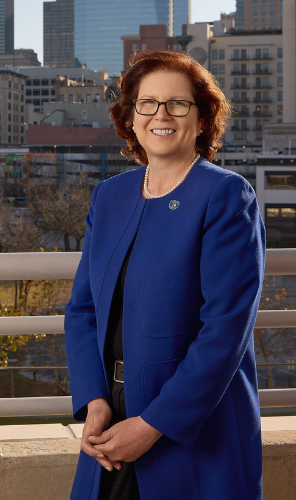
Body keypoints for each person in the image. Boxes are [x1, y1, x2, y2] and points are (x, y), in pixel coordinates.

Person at [65, 50, 265, 500]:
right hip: (111, 415)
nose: (162, 115)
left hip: (193, 421)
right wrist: (94, 400)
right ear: (131, 117)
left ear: (202, 117)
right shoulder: (110, 196)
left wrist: (155, 424)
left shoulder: (227, 195)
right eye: (148, 103)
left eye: (178, 103)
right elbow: (82, 310)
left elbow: (225, 331)